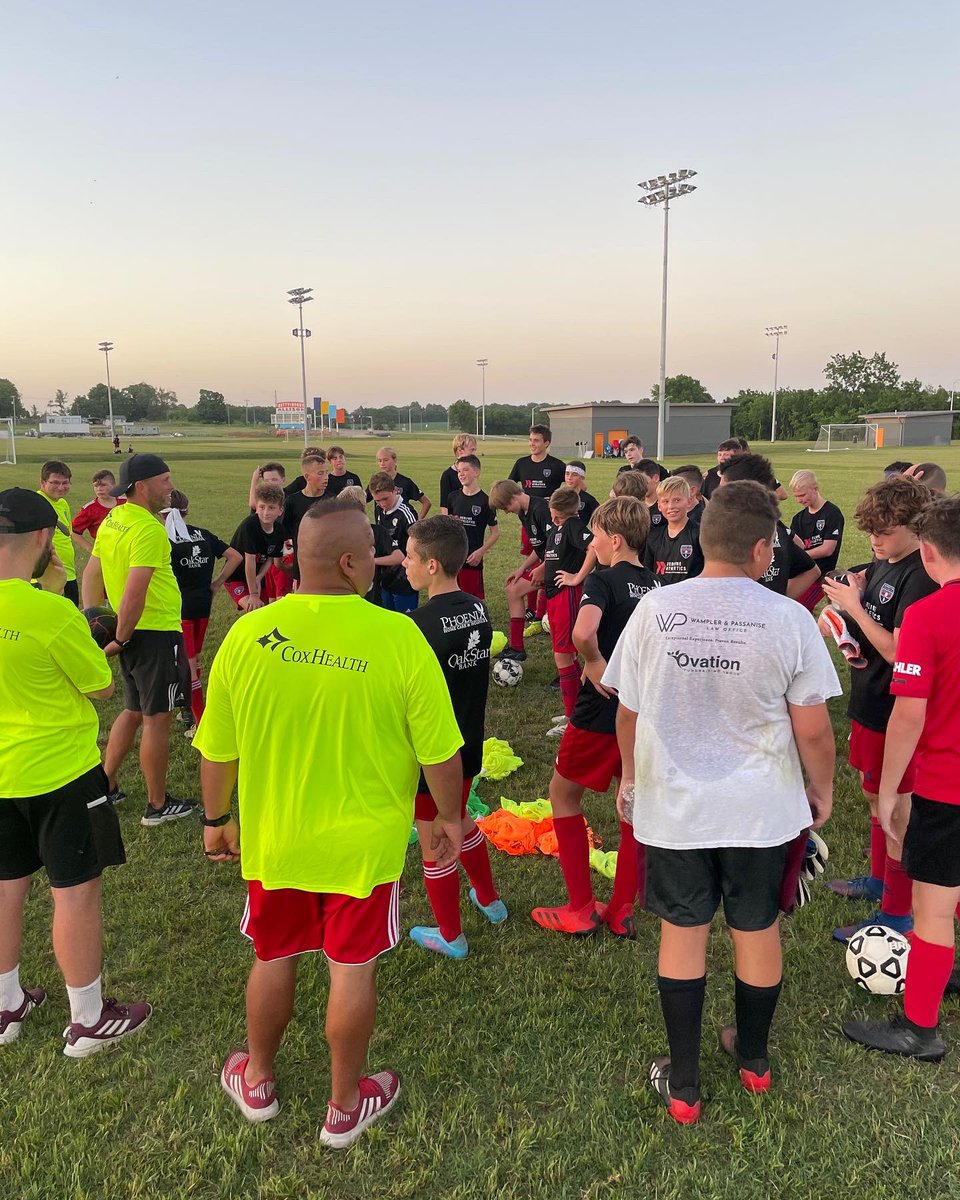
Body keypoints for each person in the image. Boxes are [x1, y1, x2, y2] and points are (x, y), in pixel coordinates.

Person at [194, 501, 464, 1140]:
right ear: (349, 562)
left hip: (277, 838)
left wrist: (215, 820)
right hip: (362, 849)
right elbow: (440, 752)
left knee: (274, 953)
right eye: (371, 550)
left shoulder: (247, 635)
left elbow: (216, 748)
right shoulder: (400, 636)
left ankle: (257, 1076)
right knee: (352, 968)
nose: (378, 559)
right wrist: (450, 816)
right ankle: (345, 1104)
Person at [603, 480, 840, 1124]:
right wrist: (821, 791)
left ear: (701, 539)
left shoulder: (655, 609)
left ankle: (684, 1083)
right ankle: (753, 1059)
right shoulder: (788, 616)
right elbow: (813, 729)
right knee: (755, 924)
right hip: (760, 808)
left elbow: (626, 709)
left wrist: (629, 776)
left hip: (675, 804)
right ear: (764, 549)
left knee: (685, 927)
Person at [0, 488, 151, 1056]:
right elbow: (101, 685)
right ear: (43, 539)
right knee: (75, 893)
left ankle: (6, 1003)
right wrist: (60, 601)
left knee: (5, 886)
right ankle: (87, 1018)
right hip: (61, 773)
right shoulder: (51, 612)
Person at [842, 496, 960, 1061]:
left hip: (946, 784)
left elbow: (909, 712)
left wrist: (889, 790)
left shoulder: (929, 614)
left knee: (934, 908)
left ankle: (919, 1028)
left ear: (930, 551)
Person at [531, 497, 657, 937]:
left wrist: (595, 661)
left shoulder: (602, 581)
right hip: (641, 714)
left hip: (600, 709)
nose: (593, 543)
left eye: (597, 536)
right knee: (631, 806)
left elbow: (583, 631)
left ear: (615, 540)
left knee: (563, 795)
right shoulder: (657, 588)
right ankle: (622, 910)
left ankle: (581, 907)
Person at [822, 475, 939, 940]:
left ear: (916, 528)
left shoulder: (920, 577)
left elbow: (896, 650)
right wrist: (853, 598)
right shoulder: (886, 561)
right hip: (869, 703)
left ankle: (896, 913)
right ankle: (878, 880)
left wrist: (855, 605)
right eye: (869, 532)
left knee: (896, 810)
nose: (874, 540)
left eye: (884, 532)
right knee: (875, 797)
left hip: (896, 712)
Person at [402, 517, 507, 958]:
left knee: (435, 838)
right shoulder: (478, 608)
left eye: (409, 556)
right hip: (470, 742)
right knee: (460, 818)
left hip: (434, 752)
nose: (403, 563)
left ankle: (450, 936)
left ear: (430, 566)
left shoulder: (417, 625)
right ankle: (489, 899)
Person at [81, 453, 195, 827]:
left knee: (132, 710)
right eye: (165, 480)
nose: (171, 487)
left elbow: (93, 571)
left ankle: (106, 785)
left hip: (131, 632)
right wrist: (119, 638)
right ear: (142, 486)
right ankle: (157, 806)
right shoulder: (147, 529)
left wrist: (95, 617)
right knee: (157, 718)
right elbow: (134, 592)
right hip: (154, 633)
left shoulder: (115, 518)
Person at [166, 489, 242, 736]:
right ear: (186, 511)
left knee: (189, 667)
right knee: (193, 662)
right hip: (203, 605)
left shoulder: (164, 539)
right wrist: (217, 583)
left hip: (180, 609)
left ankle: (202, 724)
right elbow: (234, 556)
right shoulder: (202, 534)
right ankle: (189, 711)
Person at [718, 455, 820, 601]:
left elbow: (811, 571)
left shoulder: (723, 533)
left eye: (723, 488)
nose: (718, 494)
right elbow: (811, 569)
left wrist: (779, 602)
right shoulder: (774, 525)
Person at [542, 485, 594, 729]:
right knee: (564, 653)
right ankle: (575, 708)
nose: (553, 517)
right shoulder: (557, 528)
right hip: (553, 595)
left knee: (563, 654)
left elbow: (593, 547)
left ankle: (572, 717)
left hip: (568, 594)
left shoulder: (573, 526)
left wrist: (577, 577)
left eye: (556, 513)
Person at [508, 425, 566, 628]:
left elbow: (569, 488)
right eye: (530, 440)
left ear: (547, 443)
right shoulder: (521, 463)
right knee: (534, 559)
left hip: (550, 519)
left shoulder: (557, 465)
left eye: (537, 440)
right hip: (530, 521)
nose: (532, 444)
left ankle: (545, 609)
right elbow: (510, 487)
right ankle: (532, 608)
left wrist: (555, 500)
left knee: (550, 558)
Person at [488, 479, 552, 661]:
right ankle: (516, 648)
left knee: (562, 620)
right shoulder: (523, 513)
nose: (506, 511)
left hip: (561, 566)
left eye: (505, 507)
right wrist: (522, 568)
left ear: (513, 497)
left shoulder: (541, 509)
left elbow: (558, 545)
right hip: (547, 564)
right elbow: (539, 547)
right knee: (512, 589)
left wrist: (542, 568)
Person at [223, 483, 287, 612]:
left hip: (256, 577)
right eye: (262, 507)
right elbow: (249, 561)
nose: (266, 512)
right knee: (254, 609)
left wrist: (259, 577)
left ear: (280, 510)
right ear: (256, 507)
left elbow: (270, 558)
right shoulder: (250, 525)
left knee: (265, 610)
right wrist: (253, 594)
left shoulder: (280, 531)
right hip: (236, 577)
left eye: (271, 508)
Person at [788, 470, 845, 610]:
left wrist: (801, 556)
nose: (799, 500)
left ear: (815, 489)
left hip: (819, 575)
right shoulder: (798, 518)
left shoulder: (832, 513)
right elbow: (793, 546)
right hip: (800, 572)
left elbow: (827, 549)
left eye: (802, 495)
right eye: (796, 496)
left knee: (800, 607)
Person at [444, 454, 499, 598]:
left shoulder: (486, 501)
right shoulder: (452, 497)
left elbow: (495, 533)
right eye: (459, 471)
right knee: (453, 597)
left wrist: (481, 552)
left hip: (472, 560)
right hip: (454, 558)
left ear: (476, 472)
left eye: (465, 470)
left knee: (472, 599)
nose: (461, 474)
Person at [37, 460, 88, 606]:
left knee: (71, 616)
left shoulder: (63, 503)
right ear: (43, 482)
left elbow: (67, 535)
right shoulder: (37, 503)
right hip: (48, 578)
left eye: (65, 483)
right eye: (55, 482)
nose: (61, 487)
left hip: (68, 574)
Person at [368, 471, 420, 612]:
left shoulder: (406, 513)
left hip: (404, 580)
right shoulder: (379, 510)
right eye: (377, 501)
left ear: (395, 490)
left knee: (405, 620)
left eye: (385, 498)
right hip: (386, 578)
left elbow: (418, 544)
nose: (382, 504)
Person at [644, 477, 704, 585]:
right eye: (665, 501)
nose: (671, 506)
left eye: (677, 500)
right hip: (661, 598)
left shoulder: (700, 534)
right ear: (659, 505)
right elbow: (647, 575)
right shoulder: (653, 537)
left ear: (689, 501)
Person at [279, 455, 329, 585]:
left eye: (326, 472)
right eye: (320, 473)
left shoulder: (333, 501)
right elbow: (283, 533)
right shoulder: (292, 502)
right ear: (307, 477)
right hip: (301, 569)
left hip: (329, 568)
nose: (326, 477)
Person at [366, 447, 430, 519]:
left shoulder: (405, 482)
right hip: (382, 527)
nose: (382, 463)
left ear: (394, 460)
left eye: (386, 460)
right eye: (380, 461)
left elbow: (426, 502)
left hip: (402, 527)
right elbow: (362, 500)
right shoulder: (375, 482)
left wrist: (417, 522)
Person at [72, 469, 126, 547]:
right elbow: (74, 532)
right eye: (96, 486)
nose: (99, 489)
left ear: (114, 485)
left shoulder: (126, 502)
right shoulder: (89, 509)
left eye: (103, 485)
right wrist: (90, 548)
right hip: (104, 551)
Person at [439, 435, 477, 512]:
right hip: (453, 520)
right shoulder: (447, 475)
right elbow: (444, 505)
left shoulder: (472, 471)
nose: (475, 454)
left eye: (475, 450)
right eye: (472, 450)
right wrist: (446, 523)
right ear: (460, 451)